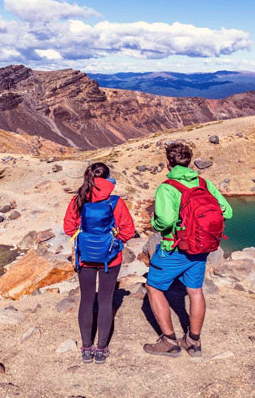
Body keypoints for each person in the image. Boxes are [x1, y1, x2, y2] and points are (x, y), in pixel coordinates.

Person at [143, 142, 232, 357]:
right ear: (189, 161)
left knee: (153, 287)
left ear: (168, 164)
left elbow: (165, 220)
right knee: (195, 291)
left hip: (175, 248)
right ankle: (193, 342)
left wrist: (155, 223)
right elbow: (226, 212)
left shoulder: (167, 187)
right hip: (201, 248)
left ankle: (169, 342)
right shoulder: (204, 183)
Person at [64, 162, 135, 364]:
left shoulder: (78, 199)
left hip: (84, 257)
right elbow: (128, 229)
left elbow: (68, 228)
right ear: (108, 178)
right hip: (110, 259)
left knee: (86, 300)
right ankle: (101, 349)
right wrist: (115, 242)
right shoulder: (115, 202)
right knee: (105, 301)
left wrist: (83, 238)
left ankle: (86, 348)